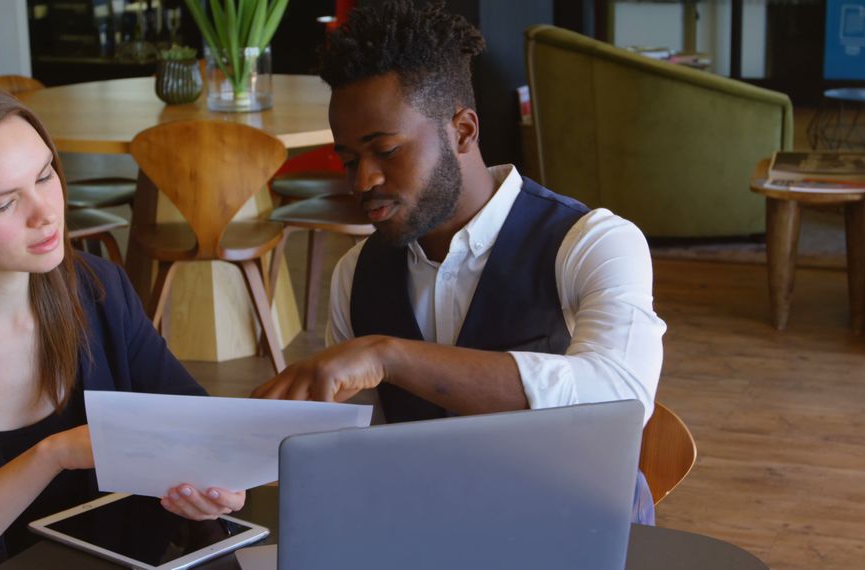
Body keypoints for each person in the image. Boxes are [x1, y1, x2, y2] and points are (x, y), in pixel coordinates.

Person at [252, 1, 667, 523]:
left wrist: (389, 356)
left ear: (463, 131)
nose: (363, 181)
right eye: (350, 161)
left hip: (575, 527)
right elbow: (358, 450)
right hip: (425, 528)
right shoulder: (357, 273)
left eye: (386, 151)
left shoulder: (593, 242)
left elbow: (620, 399)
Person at [0, 77, 242, 569]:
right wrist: (51, 455)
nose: (46, 214)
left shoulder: (98, 288)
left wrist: (217, 482)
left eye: (45, 175)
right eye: (3, 204)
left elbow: (192, 421)